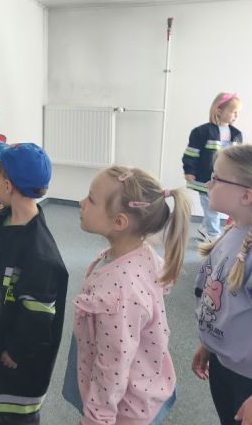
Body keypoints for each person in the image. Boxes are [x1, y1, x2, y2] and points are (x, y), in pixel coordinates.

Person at [63, 166, 189, 424]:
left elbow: (113, 366)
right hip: (144, 378)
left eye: (91, 199)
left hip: (124, 407)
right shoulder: (142, 253)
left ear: (119, 222)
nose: (81, 202)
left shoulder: (119, 292)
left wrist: (97, 418)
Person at [0, 141, 68, 423]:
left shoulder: (40, 255)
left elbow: (39, 315)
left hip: (18, 358)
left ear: (7, 186)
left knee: (15, 413)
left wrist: (17, 349)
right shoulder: (2, 219)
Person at [192, 144, 252, 425]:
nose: (209, 184)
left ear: (246, 195)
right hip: (225, 366)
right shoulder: (235, 232)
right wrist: (209, 345)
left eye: (216, 178)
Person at [183, 92, 242, 242]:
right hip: (205, 177)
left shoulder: (236, 134)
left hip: (225, 178)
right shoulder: (201, 132)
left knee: (217, 205)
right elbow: (191, 153)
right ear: (219, 110)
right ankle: (213, 235)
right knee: (211, 207)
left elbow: (238, 157)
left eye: (238, 113)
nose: (236, 116)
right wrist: (189, 170)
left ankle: (204, 228)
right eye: (233, 111)